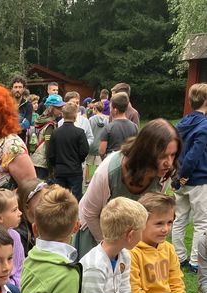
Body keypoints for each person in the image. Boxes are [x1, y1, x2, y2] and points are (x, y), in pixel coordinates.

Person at [76, 119, 181, 259]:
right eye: (163, 156)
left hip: (131, 237)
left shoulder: (164, 174)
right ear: (146, 152)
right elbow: (90, 213)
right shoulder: (108, 171)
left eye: (173, 155)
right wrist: (110, 249)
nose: (169, 163)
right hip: (95, 231)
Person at [171, 83, 207, 273]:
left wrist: (178, 176)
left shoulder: (183, 122)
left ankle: (179, 257)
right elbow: (194, 154)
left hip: (181, 178)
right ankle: (195, 261)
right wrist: (183, 175)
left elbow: (175, 149)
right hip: (197, 179)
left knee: (180, 219)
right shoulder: (204, 125)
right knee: (202, 223)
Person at [48, 102, 89, 201]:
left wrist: (55, 165)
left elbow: (50, 153)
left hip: (60, 170)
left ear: (63, 115)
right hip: (75, 170)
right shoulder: (79, 132)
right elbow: (85, 151)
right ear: (75, 116)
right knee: (75, 199)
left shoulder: (55, 132)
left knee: (60, 199)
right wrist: (78, 160)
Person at [31, 95, 64, 180]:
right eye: (58, 108)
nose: (61, 110)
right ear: (51, 108)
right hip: (42, 163)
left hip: (36, 160)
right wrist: (51, 167)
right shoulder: (50, 125)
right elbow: (48, 147)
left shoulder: (41, 119)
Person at [99, 92, 138, 158]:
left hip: (111, 160)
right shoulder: (134, 127)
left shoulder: (108, 128)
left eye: (110, 107)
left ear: (115, 110)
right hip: (128, 160)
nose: (110, 110)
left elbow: (102, 151)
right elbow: (135, 147)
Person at [16, 178, 48, 254]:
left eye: (48, 200)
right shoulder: (20, 235)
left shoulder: (46, 224)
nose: (48, 205)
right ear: (27, 207)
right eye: (42, 201)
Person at [85, 102, 108, 185]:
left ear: (95, 109)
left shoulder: (91, 119)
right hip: (101, 145)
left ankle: (88, 180)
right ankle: (97, 181)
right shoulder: (107, 119)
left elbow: (88, 131)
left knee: (88, 164)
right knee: (99, 165)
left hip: (91, 145)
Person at [11, 75, 33, 144]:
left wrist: (11, 126)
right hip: (8, 139)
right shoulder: (6, 104)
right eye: (15, 87)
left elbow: (27, 124)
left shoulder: (28, 105)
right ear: (12, 88)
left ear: (23, 89)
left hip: (22, 141)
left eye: (20, 87)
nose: (17, 90)